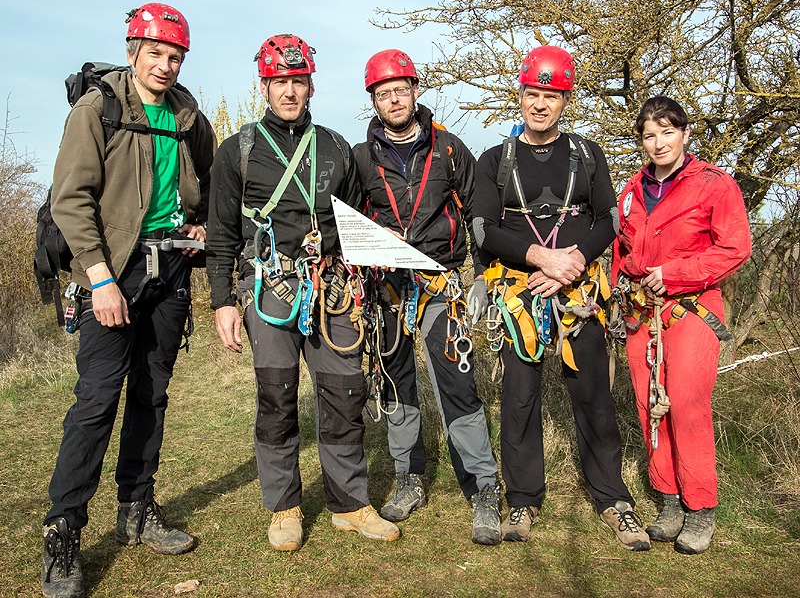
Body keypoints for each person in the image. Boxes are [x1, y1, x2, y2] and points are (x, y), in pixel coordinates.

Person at [42, 3, 216, 596]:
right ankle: (64, 529)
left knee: (152, 392)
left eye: (175, 56)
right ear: (132, 51)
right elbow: (71, 200)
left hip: (168, 274)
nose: (165, 66)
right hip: (111, 273)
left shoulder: (190, 116)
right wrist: (98, 277)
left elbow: (205, 192)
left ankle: (136, 509)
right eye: (156, 54)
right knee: (96, 399)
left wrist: (196, 227)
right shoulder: (99, 109)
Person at [206, 34, 399, 552]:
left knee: (344, 393)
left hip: (331, 289)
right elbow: (222, 232)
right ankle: (285, 505)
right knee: (276, 396)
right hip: (268, 290)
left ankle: (350, 502)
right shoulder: (238, 151)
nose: (289, 92)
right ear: (265, 86)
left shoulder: (335, 147)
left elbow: (355, 219)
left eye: (297, 82)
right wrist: (223, 300)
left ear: (310, 85)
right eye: (279, 83)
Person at [472, 45, 650, 550]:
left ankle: (613, 500)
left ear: (564, 100)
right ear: (521, 96)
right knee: (520, 399)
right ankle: (523, 499)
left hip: (579, 294)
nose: (540, 104)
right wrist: (541, 258)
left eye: (550, 95)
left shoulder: (587, 156)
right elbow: (483, 229)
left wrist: (570, 263)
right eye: (533, 94)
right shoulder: (496, 160)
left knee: (593, 395)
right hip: (521, 294)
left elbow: (609, 221)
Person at [353, 49, 501, 545]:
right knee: (397, 385)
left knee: (458, 384)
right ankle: (408, 477)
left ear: (416, 90)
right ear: (373, 100)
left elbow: (478, 215)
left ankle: (483, 486)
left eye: (400, 90)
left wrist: (481, 274)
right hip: (387, 290)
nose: (393, 99)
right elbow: (345, 219)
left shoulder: (450, 150)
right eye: (383, 93)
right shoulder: (360, 158)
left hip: (441, 286)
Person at [611, 96, 751, 554]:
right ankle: (668, 498)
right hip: (640, 312)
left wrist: (672, 274)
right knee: (649, 407)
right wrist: (619, 292)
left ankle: (701, 506)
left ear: (685, 134)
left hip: (692, 309)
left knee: (688, 404)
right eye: (649, 135)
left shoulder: (714, 185)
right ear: (641, 140)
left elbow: (734, 249)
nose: (659, 142)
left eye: (667, 132)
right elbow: (621, 252)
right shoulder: (631, 191)